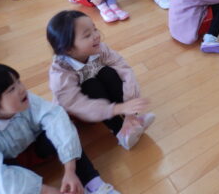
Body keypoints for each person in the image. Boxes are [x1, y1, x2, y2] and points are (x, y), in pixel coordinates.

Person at [0, 63, 120, 194]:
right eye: (11, 89)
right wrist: (47, 191)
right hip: (7, 161)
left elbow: (56, 119)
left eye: (18, 82)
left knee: (63, 126)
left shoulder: (26, 99)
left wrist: (70, 170)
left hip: (36, 146)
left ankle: (93, 183)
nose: (21, 89)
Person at [47, 10, 154, 150]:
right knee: (90, 85)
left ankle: (131, 120)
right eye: (87, 35)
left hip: (103, 98)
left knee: (107, 72)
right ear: (68, 49)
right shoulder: (61, 74)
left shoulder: (99, 49)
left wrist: (129, 109)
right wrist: (117, 109)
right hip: (84, 112)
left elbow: (125, 70)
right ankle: (119, 131)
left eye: (95, 29)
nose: (96, 35)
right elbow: (79, 105)